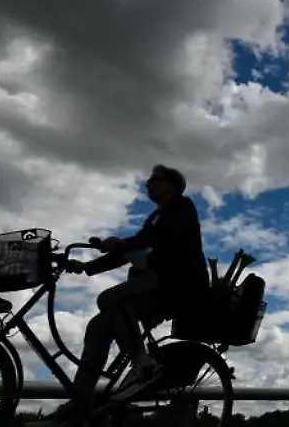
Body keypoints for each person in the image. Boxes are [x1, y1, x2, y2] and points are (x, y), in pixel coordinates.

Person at [42, 164, 207, 423]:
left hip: (178, 284)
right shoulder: (155, 217)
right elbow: (132, 250)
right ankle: (80, 402)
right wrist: (87, 267)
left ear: (172, 186)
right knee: (99, 326)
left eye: (156, 179)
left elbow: (153, 241)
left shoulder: (181, 208)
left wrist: (122, 243)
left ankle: (143, 362)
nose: (149, 183)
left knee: (108, 299)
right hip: (156, 284)